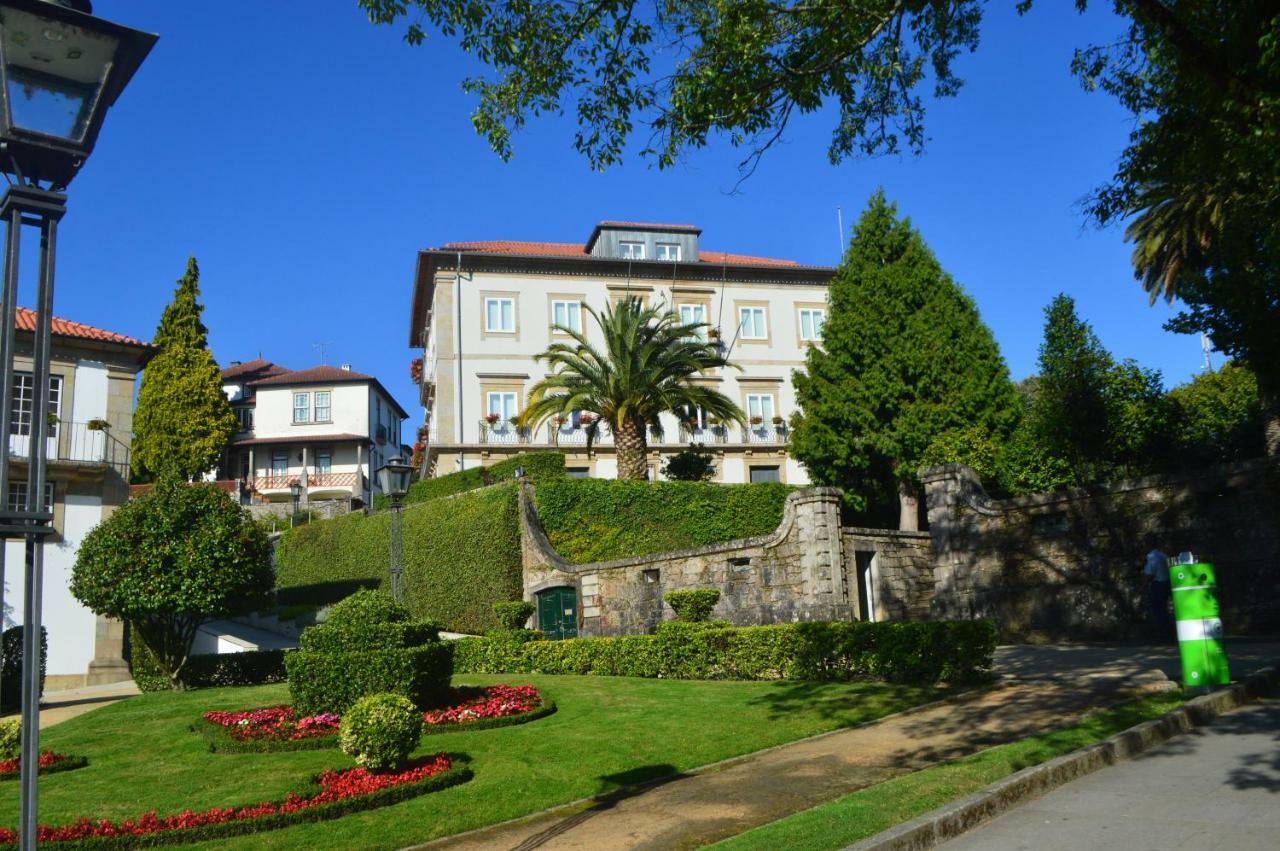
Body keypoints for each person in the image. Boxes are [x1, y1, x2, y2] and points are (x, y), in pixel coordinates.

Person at [1140, 543, 1171, 635]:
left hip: (1158, 584)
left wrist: (1143, 587)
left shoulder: (1152, 557)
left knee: (1158, 610)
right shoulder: (1163, 555)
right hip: (1166, 583)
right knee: (1163, 609)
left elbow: (1150, 573)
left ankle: (1163, 634)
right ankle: (1167, 633)